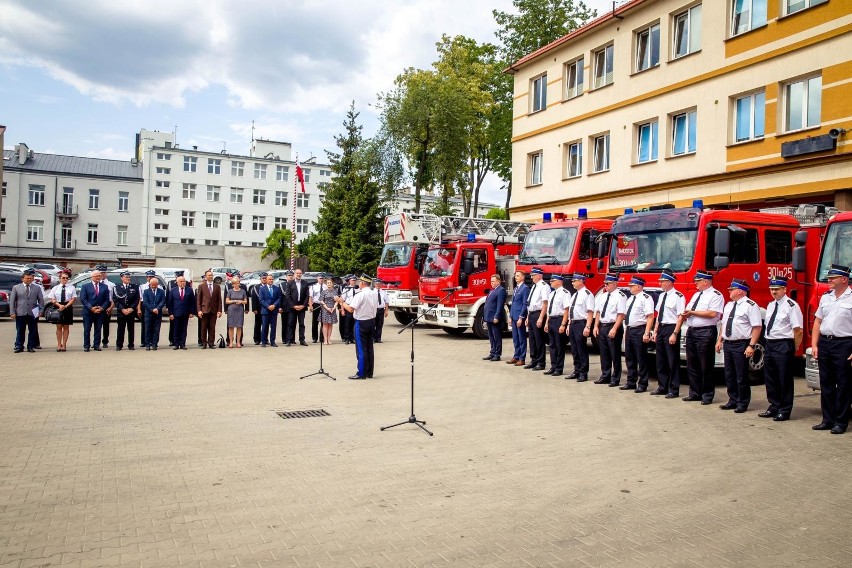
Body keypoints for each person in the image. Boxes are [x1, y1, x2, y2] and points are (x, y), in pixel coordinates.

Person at [811, 264, 852, 434]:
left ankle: (841, 422)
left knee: (843, 384)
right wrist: (814, 344)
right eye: (829, 277)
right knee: (826, 384)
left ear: (844, 279)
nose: (829, 280)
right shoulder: (826, 297)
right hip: (825, 343)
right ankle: (827, 419)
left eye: (833, 278)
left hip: (844, 343)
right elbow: (818, 321)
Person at [675, 270, 724, 404]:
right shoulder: (697, 295)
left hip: (705, 332)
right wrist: (686, 314)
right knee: (692, 364)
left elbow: (713, 314)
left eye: (698, 281)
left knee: (706, 365)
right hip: (692, 331)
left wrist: (692, 313)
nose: (696, 284)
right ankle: (695, 393)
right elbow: (689, 309)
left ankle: (707, 394)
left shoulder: (715, 295)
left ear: (705, 282)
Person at [715, 279, 762, 413]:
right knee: (729, 373)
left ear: (740, 290)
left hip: (741, 343)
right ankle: (733, 399)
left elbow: (757, 327)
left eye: (732, 289)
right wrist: (720, 340)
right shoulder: (729, 305)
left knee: (741, 375)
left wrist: (751, 345)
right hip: (728, 343)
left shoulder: (750, 305)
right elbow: (724, 324)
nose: (729, 291)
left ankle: (743, 401)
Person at [760, 276, 803, 422]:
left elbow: (798, 330)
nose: (773, 292)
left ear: (784, 289)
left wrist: (792, 348)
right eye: (771, 289)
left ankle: (784, 409)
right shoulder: (771, 305)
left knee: (784, 378)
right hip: (770, 343)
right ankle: (774, 405)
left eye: (776, 289)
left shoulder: (791, 306)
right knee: (770, 377)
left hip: (784, 344)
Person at [651, 269, 685, 397]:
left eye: (662, 281)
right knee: (660, 359)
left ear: (669, 282)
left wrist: (675, 333)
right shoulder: (661, 295)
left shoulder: (678, 296)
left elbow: (680, 316)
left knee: (672, 360)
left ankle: (674, 389)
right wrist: (655, 331)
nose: (660, 283)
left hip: (671, 328)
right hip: (661, 328)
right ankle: (662, 386)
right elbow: (659, 315)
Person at [340, 274, 379, 379]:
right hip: (371, 321)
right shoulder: (374, 293)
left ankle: (361, 373)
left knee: (361, 349)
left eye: (359, 282)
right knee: (369, 348)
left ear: (362, 283)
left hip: (361, 322)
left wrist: (341, 302)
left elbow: (351, 309)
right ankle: (369, 372)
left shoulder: (360, 294)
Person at [621, 276, 656, 393]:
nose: (629, 287)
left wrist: (647, 333)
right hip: (630, 329)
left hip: (639, 330)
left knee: (641, 358)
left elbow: (650, 316)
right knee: (629, 357)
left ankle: (643, 383)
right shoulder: (631, 299)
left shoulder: (646, 298)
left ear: (638, 286)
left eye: (631, 286)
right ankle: (631, 382)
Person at [593, 273, 626, 386]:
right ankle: (605, 375)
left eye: (607, 284)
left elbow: (621, 315)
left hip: (613, 326)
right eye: (605, 284)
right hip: (603, 325)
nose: (605, 286)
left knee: (614, 353)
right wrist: (596, 326)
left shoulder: (620, 296)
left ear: (614, 284)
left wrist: (615, 328)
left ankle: (615, 378)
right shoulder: (603, 296)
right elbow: (598, 312)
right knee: (604, 353)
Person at [566, 273, 595, 381]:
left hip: (581, 323)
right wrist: (569, 324)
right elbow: (571, 311)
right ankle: (576, 370)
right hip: (573, 323)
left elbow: (590, 312)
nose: (572, 283)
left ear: (581, 281)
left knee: (581, 349)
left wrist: (588, 327)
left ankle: (583, 372)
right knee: (574, 349)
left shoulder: (587, 294)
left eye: (574, 281)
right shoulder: (575, 294)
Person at [10, 269, 44, 353]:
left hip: (33, 312)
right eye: (27, 278)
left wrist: (40, 310)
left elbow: (41, 300)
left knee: (32, 330)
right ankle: (19, 346)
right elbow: (12, 301)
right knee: (20, 330)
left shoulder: (37, 288)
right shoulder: (16, 287)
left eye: (30, 278)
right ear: (23, 279)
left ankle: (31, 346)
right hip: (20, 312)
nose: (29, 280)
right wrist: (12, 312)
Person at [523, 268, 550, 371]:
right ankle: (534, 360)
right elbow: (530, 303)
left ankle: (541, 362)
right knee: (532, 339)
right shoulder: (534, 286)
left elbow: (545, 303)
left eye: (533, 275)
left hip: (539, 314)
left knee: (539, 339)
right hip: (532, 314)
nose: (531, 277)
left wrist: (541, 317)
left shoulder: (544, 287)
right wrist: (527, 317)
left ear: (539, 275)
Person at [543, 274, 570, 376]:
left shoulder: (565, 293)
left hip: (559, 319)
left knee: (559, 345)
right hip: (551, 320)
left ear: (559, 281)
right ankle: (553, 366)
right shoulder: (552, 294)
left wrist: (563, 324)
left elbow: (566, 310)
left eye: (552, 281)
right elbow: (549, 310)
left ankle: (559, 368)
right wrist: (547, 322)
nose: (551, 282)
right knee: (552, 345)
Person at [79, 269, 111, 352]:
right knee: (87, 329)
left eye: (99, 276)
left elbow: (107, 300)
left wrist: (102, 308)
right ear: (91, 277)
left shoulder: (104, 286)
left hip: (100, 311)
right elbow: (83, 299)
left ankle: (96, 345)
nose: (98, 277)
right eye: (96, 276)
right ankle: (86, 346)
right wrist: (91, 308)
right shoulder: (85, 286)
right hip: (88, 312)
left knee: (98, 329)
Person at [46, 270, 76, 352]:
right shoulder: (55, 288)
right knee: (59, 326)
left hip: (67, 307)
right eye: (63, 278)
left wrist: (65, 306)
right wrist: (59, 305)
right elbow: (52, 298)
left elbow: (73, 298)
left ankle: (64, 344)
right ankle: (59, 344)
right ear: (60, 278)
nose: (65, 279)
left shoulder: (72, 287)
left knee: (66, 326)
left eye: (66, 278)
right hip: (58, 307)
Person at [112, 271, 140, 351]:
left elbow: (137, 299)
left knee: (131, 329)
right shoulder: (117, 287)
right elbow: (115, 300)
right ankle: (119, 345)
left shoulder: (135, 287)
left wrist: (131, 308)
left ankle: (131, 344)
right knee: (121, 329)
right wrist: (122, 309)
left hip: (131, 312)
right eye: (126, 277)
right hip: (121, 312)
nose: (128, 279)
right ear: (122, 278)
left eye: (129, 277)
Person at [167, 275, 195, 350]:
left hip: (185, 313)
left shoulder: (189, 290)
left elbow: (192, 302)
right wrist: (171, 313)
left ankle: (182, 343)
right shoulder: (173, 290)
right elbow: (170, 303)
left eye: (184, 281)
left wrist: (192, 312)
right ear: (177, 282)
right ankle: (176, 344)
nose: (183, 283)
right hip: (176, 313)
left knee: (184, 329)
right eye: (181, 281)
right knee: (176, 328)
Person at [482, 274, 507, 362]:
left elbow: (500, 305)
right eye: (491, 281)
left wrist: (496, 316)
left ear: (498, 281)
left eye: (493, 281)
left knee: (497, 336)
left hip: (494, 318)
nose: (491, 283)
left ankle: (497, 354)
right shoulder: (492, 290)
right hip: (489, 317)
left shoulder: (501, 290)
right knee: (491, 336)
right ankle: (492, 352)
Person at [196, 269, 223, 349]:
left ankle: (211, 343)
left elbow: (219, 300)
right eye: (209, 275)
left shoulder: (217, 286)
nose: (210, 276)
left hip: (214, 310)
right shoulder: (201, 286)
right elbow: (199, 299)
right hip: (204, 310)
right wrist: (199, 310)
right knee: (203, 327)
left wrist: (219, 310)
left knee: (212, 327)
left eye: (211, 275)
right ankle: (204, 343)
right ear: (205, 277)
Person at [508, 270, 529, 366]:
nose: (516, 277)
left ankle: (522, 358)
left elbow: (525, 304)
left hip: (519, 317)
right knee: (515, 338)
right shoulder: (516, 288)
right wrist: (510, 316)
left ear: (523, 277)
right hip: (514, 316)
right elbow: (513, 304)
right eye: (515, 276)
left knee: (521, 338)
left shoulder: (525, 288)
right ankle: (516, 356)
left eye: (518, 276)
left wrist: (521, 317)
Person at [288, 268, 311, 346]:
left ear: (302, 274)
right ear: (294, 274)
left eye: (300, 273)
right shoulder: (290, 283)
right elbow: (288, 296)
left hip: (302, 307)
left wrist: (303, 305)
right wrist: (293, 306)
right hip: (292, 307)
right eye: (297, 273)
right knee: (291, 324)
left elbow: (307, 296)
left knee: (301, 324)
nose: (298, 274)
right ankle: (289, 340)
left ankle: (302, 340)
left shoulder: (305, 283)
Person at [142, 277, 166, 350]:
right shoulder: (146, 292)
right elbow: (145, 302)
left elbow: (163, 301)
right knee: (148, 329)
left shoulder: (161, 291)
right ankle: (147, 344)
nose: (154, 286)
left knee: (156, 329)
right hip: (148, 314)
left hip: (158, 313)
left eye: (155, 285)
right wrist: (152, 309)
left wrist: (157, 308)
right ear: (150, 284)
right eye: (152, 285)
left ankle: (154, 343)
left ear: (157, 284)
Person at [258, 273, 281, 347]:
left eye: (272, 279)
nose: (271, 280)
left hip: (274, 310)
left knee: (273, 326)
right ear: (266, 280)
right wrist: (268, 306)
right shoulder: (262, 289)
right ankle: (264, 341)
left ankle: (272, 341)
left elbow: (279, 298)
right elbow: (261, 300)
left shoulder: (277, 288)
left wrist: (274, 305)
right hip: (265, 310)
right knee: (265, 326)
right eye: (269, 279)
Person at [225, 276, 248, 348]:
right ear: (232, 284)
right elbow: (227, 301)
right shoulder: (230, 291)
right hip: (231, 310)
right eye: (235, 283)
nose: (236, 284)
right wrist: (234, 301)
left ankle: (238, 342)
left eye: (238, 283)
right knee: (231, 326)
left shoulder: (243, 291)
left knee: (239, 326)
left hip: (240, 310)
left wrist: (241, 301)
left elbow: (246, 301)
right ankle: (231, 342)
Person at [138, 270, 156, 348]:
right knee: (145, 325)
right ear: (147, 277)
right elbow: (139, 299)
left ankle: (152, 341)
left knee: (154, 325)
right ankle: (144, 341)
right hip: (144, 306)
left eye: (152, 276)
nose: (150, 278)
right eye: (149, 276)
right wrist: (139, 309)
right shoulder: (142, 286)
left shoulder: (158, 286)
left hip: (155, 306)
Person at [98, 266, 115, 348]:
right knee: (97, 325)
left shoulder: (111, 284)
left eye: (104, 272)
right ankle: (96, 341)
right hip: (98, 305)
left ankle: (105, 341)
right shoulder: (96, 283)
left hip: (107, 305)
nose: (102, 274)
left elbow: (113, 298)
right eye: (101, 272)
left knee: (106, 325)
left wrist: (111, 307)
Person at [319, 278, 339, 345]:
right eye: (328, 283)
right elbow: (321, 300)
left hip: (332, 309)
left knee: (330, 324)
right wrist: (326, 307)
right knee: (325, 324)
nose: (329, 284)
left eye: (330, 283)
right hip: (325, 309)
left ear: (332, 283)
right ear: (326, 284)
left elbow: (337, 300)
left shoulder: (335, 291)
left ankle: (329, 339)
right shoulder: (324, 292)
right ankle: (325, 339)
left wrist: (334, 307)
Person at [339, 275, 358, 344]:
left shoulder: (358, 289)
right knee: (347, 324)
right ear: (349, 281)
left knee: (354, 324)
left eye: (354, 280)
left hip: (355, 308)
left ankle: (352, 338)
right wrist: (342, 310)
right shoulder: (346, 289)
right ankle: (346, 338)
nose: (353, 282)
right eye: (352, 280)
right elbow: (342, 300)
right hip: (348, 307)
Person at [309, 273, 326, 343]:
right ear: (317, 279)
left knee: (323, 322)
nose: (321, 280)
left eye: (322, 278)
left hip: (324, 305)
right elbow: (310, 297)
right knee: (315, 322)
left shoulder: (326, 286)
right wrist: (310, 306)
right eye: (320, 278)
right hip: (316, 304)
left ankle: (322, 338)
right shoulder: (313, 286)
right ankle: (314, 338)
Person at [279, 270, 294, 344]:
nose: (290, 277)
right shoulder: (282, 285)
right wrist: (280, 307)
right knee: (284, 323)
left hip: (293, 307)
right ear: (286, 277)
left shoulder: (295, 284)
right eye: (289, 275)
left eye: (291, 275)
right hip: (284, 307)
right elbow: (280, 297)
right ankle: (284, 339)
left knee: (292, 323)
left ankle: (292, 339)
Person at [250, 280, 262, 345]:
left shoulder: (268, 286)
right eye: (263, 278)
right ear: (261, 279)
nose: (264, 279)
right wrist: (254, 308)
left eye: (266, 278)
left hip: (267, 309)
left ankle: (264, 338)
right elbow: (253, 298)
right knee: (258, 324)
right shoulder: (256, 287)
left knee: (266, 325)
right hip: (258, 308)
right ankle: (256, 339)